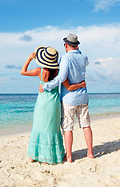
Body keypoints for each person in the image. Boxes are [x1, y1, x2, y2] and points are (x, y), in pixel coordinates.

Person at [21, 46, 86, 164]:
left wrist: (30, 58)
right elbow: (69, 87)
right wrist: (81, 85)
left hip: (41, 103)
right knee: (51, 128)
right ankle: (48, 158)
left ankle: (33, 156)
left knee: (38, 126)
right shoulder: (58, 73)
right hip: (53, 103)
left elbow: (23, 72)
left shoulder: (39, 71)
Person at [39, 34, 94, 163]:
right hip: (83, 96)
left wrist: (46, 86)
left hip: (69, 98)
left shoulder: (65, 58)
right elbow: (84, 66)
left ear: (66, 45)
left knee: (68, 127)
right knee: (86, 125)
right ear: (77, 45)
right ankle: (90, 153)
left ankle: (69, 156)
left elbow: (62, 77)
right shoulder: (84, 57)